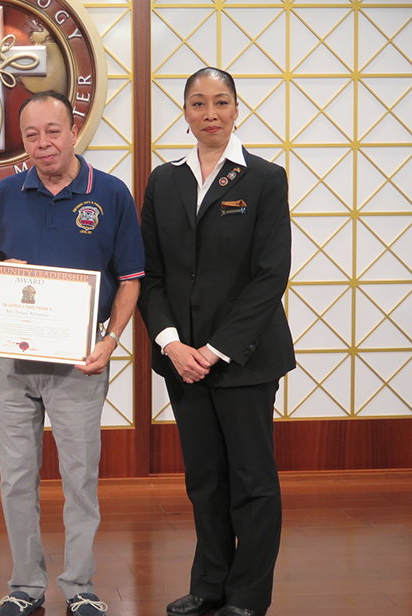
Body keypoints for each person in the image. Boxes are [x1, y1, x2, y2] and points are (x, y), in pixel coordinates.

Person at [0, 90, 145, 616]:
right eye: (31, 135)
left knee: (80, 476)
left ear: (74, 130)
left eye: (53, 131)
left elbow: (130, 281)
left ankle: (79, 587)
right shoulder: (5, 194)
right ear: (22, 141)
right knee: (16, 477)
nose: (43, 144)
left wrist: (111, 339)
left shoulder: (112, 194)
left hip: (80, 360)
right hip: (12, 364)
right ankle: (25, 587)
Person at [138, 67, 296, 616]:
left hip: (244, 359)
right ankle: (209, 585)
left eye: (221, 102)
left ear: (236, 109)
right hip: (182, 361)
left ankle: (248, 597)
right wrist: (172, 344)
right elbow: (150, 274)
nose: (210, 113)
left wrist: (217, 348)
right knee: (204, 478)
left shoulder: (264, 178)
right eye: (199, 103)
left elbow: (270, 276)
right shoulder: (165, 180)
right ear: (184, 112)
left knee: (251, 480)